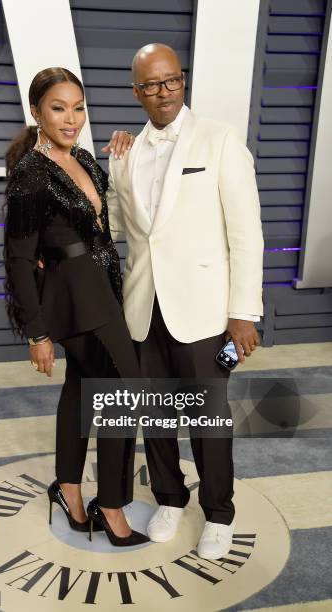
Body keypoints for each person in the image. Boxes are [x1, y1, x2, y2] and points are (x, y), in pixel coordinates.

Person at [106, 44, 264, 559]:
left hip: (204, 309)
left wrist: (244, 311)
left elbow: (246, 232)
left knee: (208, 418)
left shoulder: (219, 140)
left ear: (182, 81)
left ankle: (219, 512)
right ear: (137, 92)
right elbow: (117, 226)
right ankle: (169, 498)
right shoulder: (126, 153)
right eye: (151, 84)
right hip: (142, 307)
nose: (163, 91)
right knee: (153, 414)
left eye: (171, 80)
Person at [3, 67, 149, 547]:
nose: (72, 119)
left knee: (82, 389)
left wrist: (122, 160)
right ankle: (111, 504)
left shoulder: (85, 157)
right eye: (59, 108)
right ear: (37, 113)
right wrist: (37, 333)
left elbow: (102, 223)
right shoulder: (30, 173)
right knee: (125, 391)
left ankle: (68, 488)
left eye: (78, 107)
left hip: (102, 286)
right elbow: (20, 258)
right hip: (76, 298)